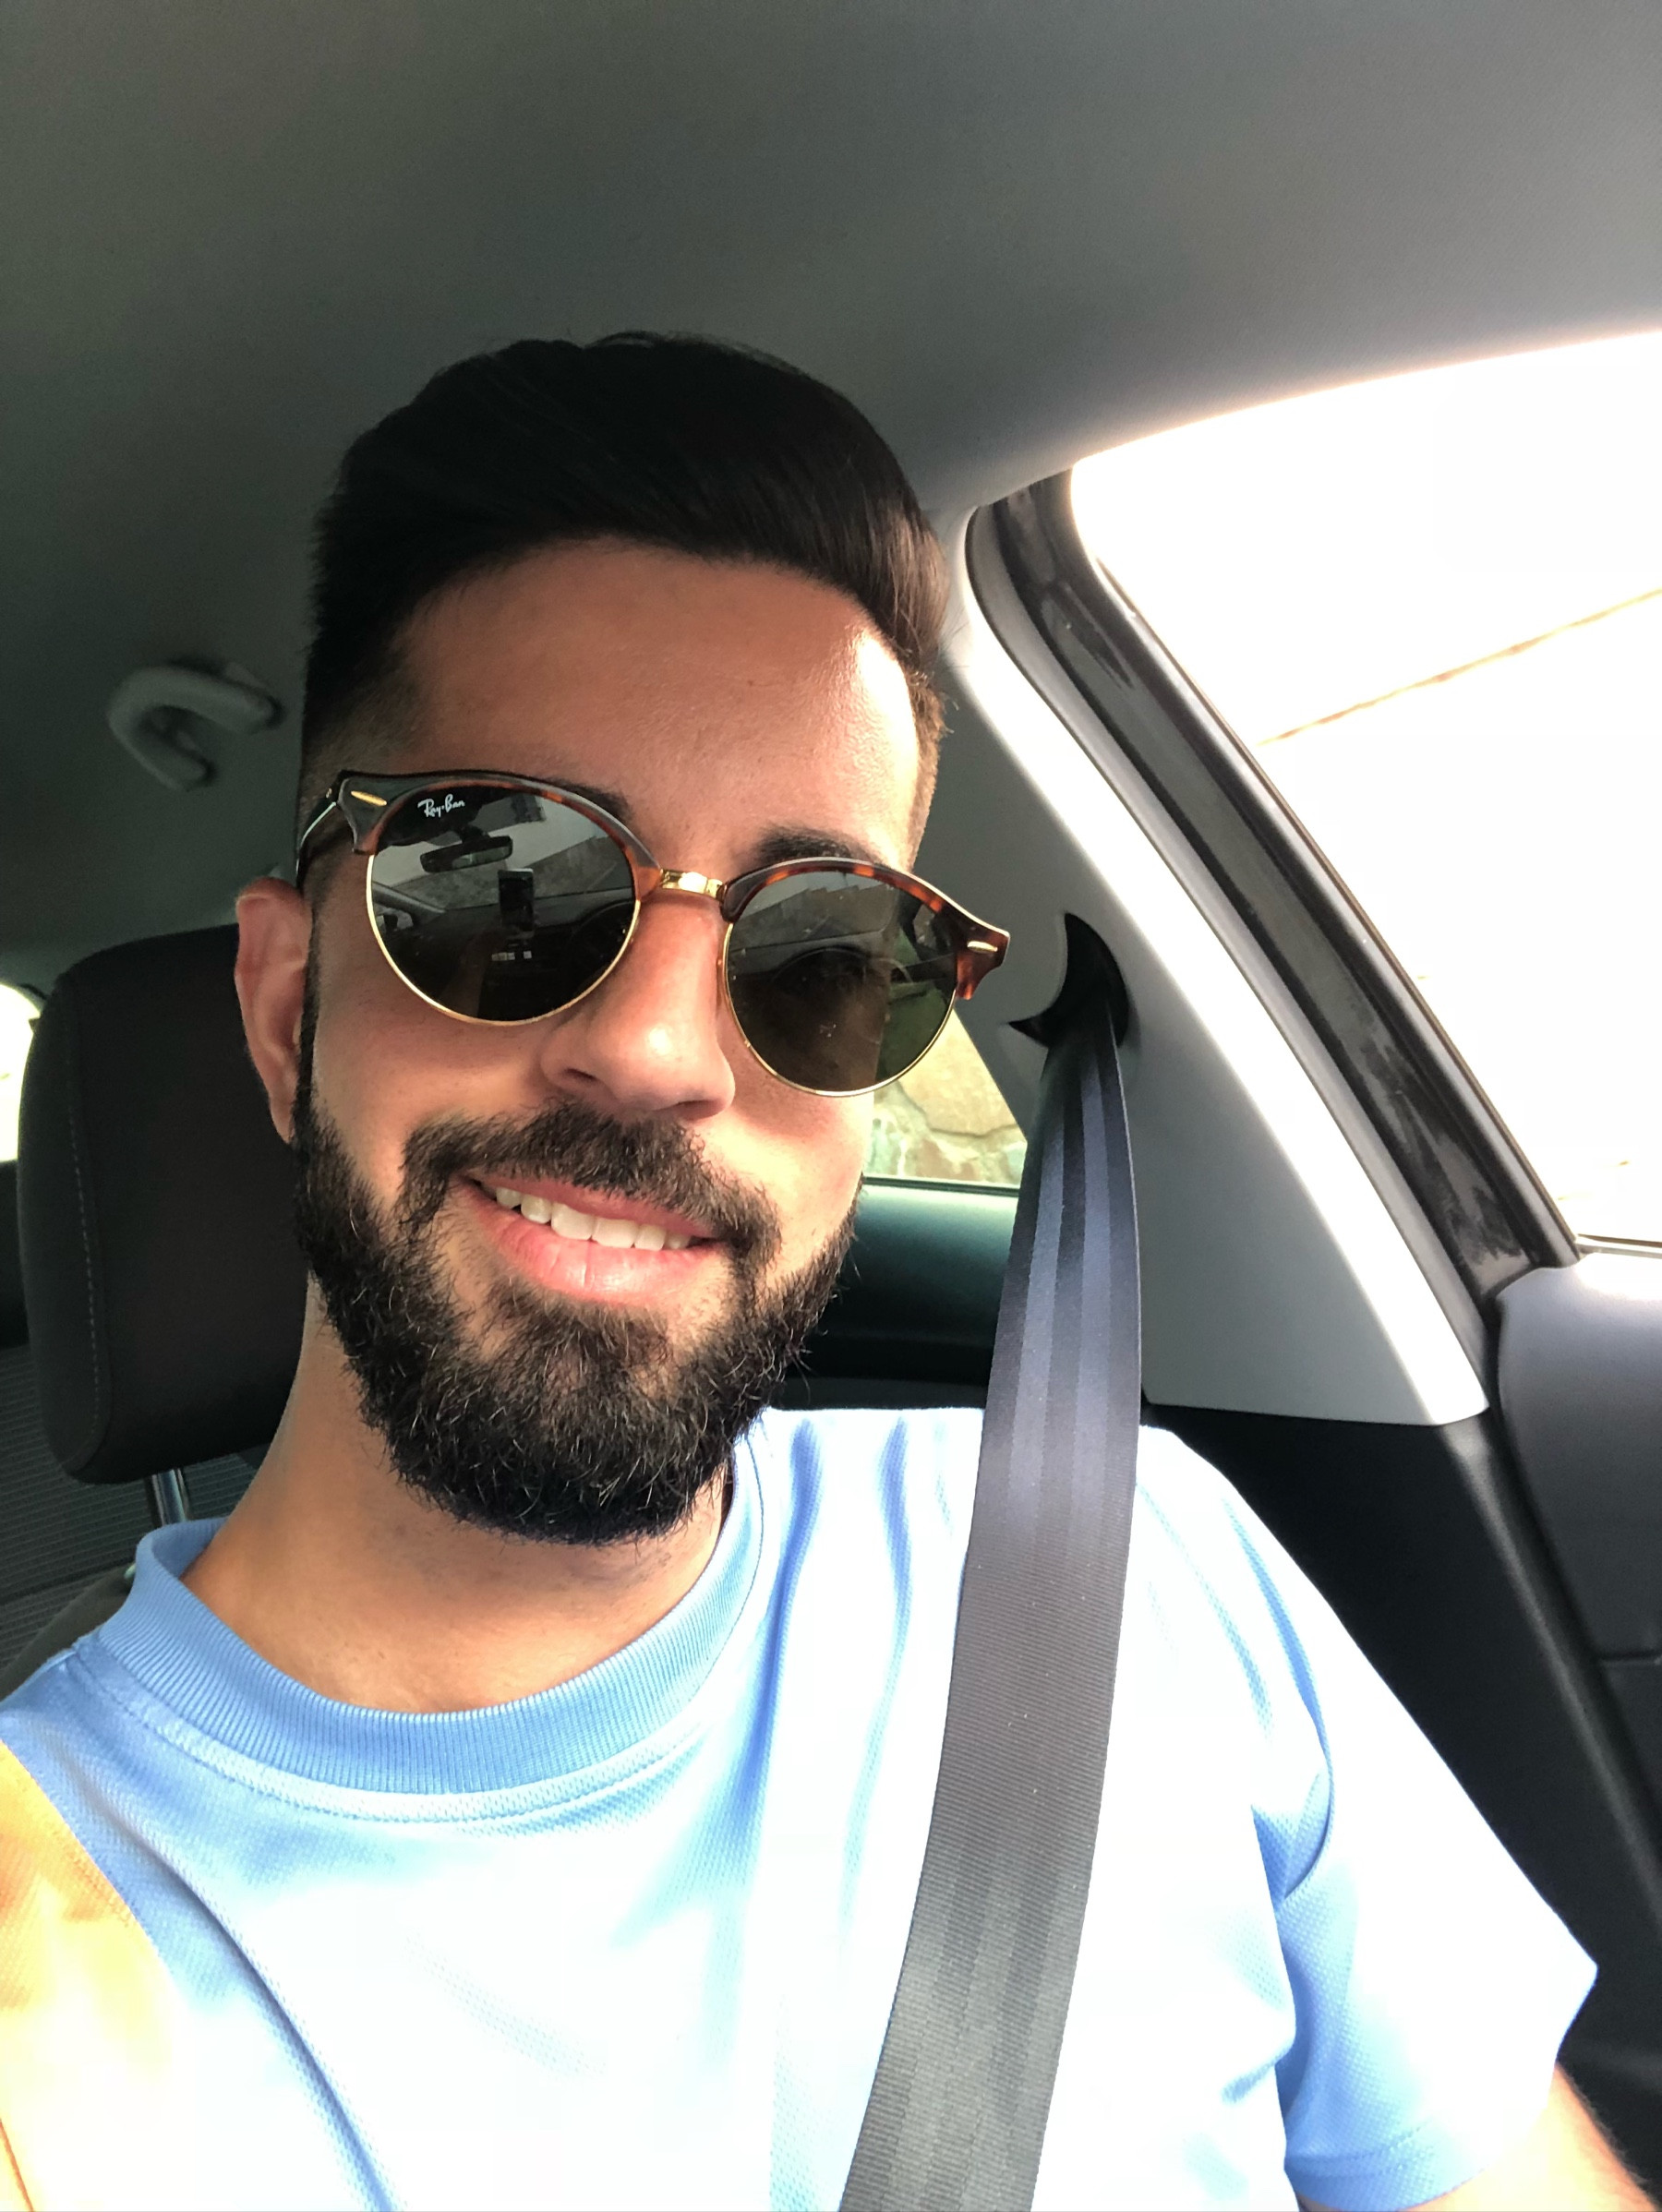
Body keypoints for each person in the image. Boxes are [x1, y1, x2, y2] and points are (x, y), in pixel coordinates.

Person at [0, 334, 1645, 2212]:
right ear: (293, 1003)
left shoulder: (1127, 1567)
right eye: (507, 884)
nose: (659, 1054)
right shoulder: (38, 1952)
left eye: (820, 946)